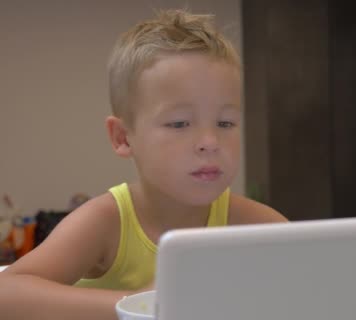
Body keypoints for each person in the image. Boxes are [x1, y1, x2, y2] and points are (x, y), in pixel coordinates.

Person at [0, 9, 287, 320]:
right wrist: (139, 304)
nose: (210, 141)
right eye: (179, 123)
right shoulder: (106, 221)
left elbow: (319, 279)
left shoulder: (250, 223)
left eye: (225, 122)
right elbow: (7, 293)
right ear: (123, 137)